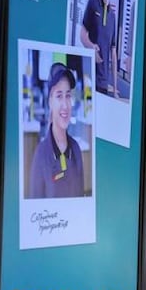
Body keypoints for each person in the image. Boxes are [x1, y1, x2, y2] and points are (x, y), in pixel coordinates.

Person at [29, 62, 84, 199]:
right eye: (59, 96)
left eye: (68, 95)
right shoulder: (41, 155)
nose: (65, 105)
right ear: (50, 102)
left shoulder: (76, 150)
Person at [79, 0, 118, 98]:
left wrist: (114, 88)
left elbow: (113, 53)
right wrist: (91, 47)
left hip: (104, 83)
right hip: (88, 76)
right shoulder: (93, 1)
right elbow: (82, 34)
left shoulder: (113, 15)